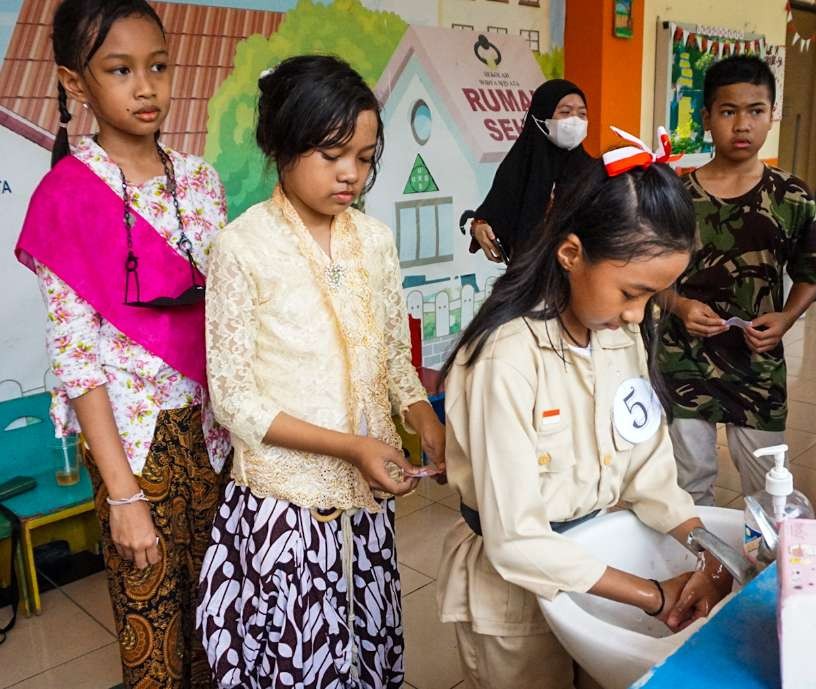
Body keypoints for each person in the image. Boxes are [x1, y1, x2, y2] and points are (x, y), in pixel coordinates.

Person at [437, 133, 733, 689]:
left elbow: (649, 473)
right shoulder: (506, 358)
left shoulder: (615, 336)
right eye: (631, 292)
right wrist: (654, 596)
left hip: (596, 555)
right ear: (571, 254)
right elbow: (518, 539)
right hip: (515, 599)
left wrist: (713, 555)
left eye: (655, 297)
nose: (637, 315)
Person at [196, 55, 445, 689]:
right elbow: (235, 403)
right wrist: (352, 446)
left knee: (368, 651)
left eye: (364, 157)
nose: (351, 174)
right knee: (300, 667)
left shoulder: (376, 241)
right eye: (333, 154)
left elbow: (392, 353)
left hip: (368, 498)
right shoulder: (242, 249)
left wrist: (421, 414)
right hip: (288, 506)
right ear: (282, 143)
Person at [14, 1, 230, 685]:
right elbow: (77, 360)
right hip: (135, 450)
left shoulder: (200, 180)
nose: (147, 87)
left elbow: (224, 320)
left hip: (216, 435)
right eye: (121, 70)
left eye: (158, 67)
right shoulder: (64, 196)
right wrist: (124, 496)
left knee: (225, 624)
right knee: (155, 646)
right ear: (76, 84)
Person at [657, 56, 816, 504]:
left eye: (756, 110)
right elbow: (647, 273)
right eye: (728, 111)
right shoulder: (675, 194)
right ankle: (698, 569)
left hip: (757, 365)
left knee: (769, 485)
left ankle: (766, 570)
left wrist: (788, 318)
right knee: (688, 483)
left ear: (772, 116)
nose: (742, 124)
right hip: (684, 360)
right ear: (707, 118)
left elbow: (811, 274)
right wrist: (678, 305)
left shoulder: (791, 195)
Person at [469, 79, 591, 262]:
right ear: (541, 115)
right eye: (565, 112)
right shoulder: (518, 167)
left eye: (582, 114)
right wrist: (480, 227)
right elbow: (493, 215)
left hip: (581, 281)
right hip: (528, 280)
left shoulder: (594, 172)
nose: (575, 120)